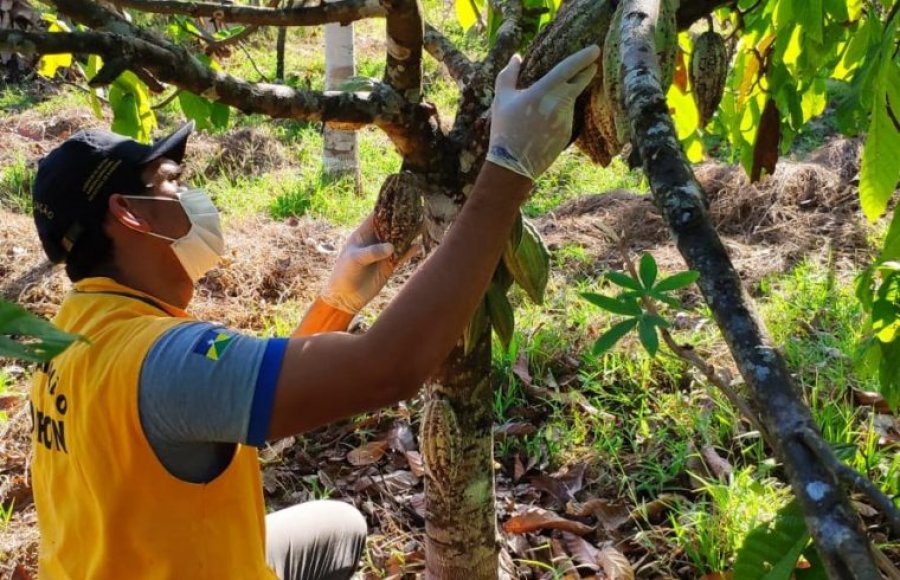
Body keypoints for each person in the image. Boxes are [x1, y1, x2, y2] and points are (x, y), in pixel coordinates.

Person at [27, 46, 600, 579]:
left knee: (338, 528)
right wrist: (508, 169)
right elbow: (389, 367)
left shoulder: (68, 335)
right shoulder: (165, 361)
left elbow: (233, 402)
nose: (193, 197)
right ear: (131, 215)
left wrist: (337, 302)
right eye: (173, 183)